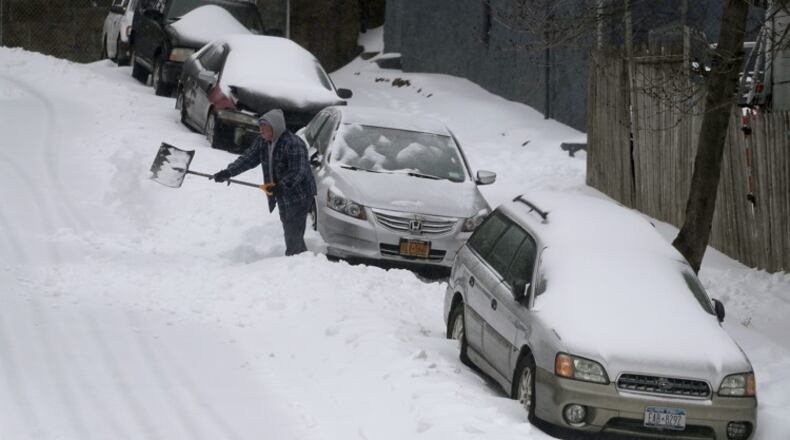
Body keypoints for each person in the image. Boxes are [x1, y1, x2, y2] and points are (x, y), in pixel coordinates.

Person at [211, 109, 316, 256]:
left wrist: (281, 186)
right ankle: (302, 258)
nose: (261, 131)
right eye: (260, 128)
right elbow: (248, 158)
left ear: (275, 128)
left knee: (292, 228)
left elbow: (299, 171)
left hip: (300, 194)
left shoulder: (293, 144)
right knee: (290, 226)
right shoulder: (263, 141)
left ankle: (295, 260)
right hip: (281, 193)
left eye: (264, 129)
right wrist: (228, 172)